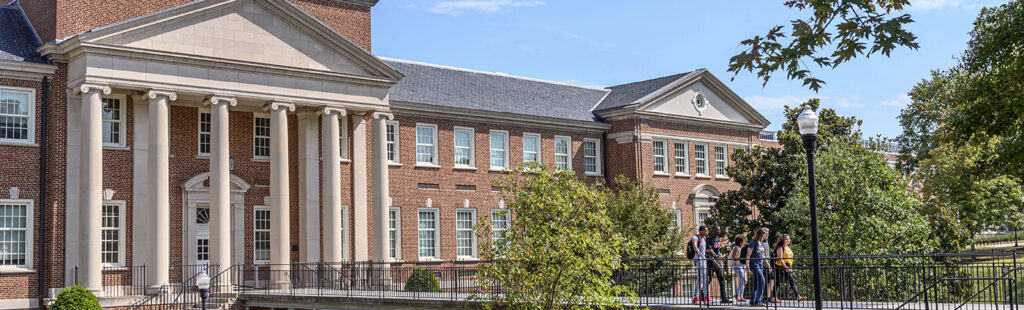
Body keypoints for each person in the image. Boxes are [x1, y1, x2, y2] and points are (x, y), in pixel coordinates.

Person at [773, 235, 806, 301]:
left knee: (791, 281)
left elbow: (790, 259)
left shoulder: (788, 247)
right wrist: (785, 267)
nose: (788, 240)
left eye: (789, 239)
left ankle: (798, 296)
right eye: (786, 239)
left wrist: (790, 267)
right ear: (783, 240)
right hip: (780, 266)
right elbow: (780, 259)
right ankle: (774, 297)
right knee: (778, 282)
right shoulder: (780, 248)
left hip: (788, 265)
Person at [705, 226, 733, 303]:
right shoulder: (709, 239)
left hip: (717, 261)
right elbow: (709, 253)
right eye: (717, 230)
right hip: (711, 263)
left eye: (719, 229)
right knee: (708, 279)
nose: (719, 231)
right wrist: (715, 263)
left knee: (721, 279)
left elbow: (717, 252)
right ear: (713, 230)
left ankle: (724, 298)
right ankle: (702, 295)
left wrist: (720, 262)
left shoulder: (717, 239)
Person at [745, 228, 769, 306]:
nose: (765, 236)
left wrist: (768, 265)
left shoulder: (761, 243)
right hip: (754, 264)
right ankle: (758, 301)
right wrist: (747, 265)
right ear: (759, 234)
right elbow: (748, 254)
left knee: (756, 284)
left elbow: (763, 255)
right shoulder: (753, 242)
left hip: (761, 264)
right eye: (763, 235)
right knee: (762, 281)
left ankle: (752, 301)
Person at [690, 226, 709, 304]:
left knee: (704, 278)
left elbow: (703, 249)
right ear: (701, 231)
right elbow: (694, 243)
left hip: (703, 260)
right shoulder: (696, 237)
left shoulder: (704, 239)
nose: (707, 232)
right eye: (705, 231)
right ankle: (696, 297)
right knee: (701, 278)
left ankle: (704, 296)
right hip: (699, 260)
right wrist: (696, 248)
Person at [728, 234, 748, 303]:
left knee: (744, 280)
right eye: (742, 241)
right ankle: (737, 294)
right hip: (737, 265)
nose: (744, 242)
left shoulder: (743, 248)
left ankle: (741, 295)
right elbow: (733, 257)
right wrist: (740, 257)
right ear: (739, 241)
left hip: (743, 265)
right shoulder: (736, 248)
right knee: (742, 279)